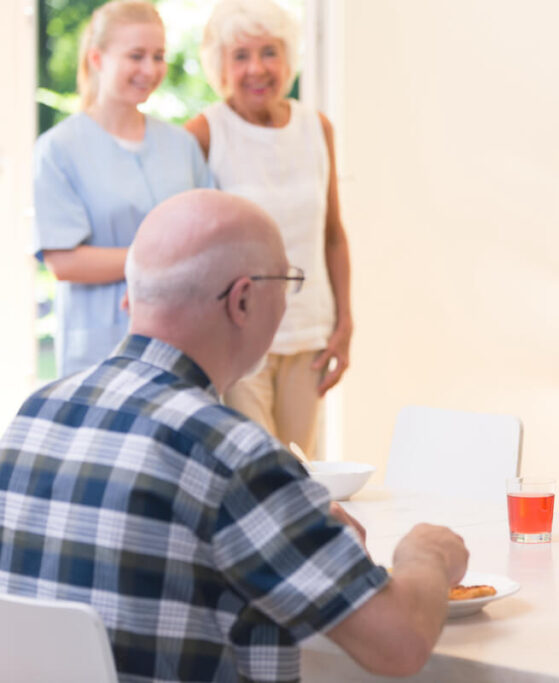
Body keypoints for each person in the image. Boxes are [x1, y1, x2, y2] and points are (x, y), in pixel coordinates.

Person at [0, 189, 469, 681]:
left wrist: (293, 529)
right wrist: (426, 556)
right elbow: (398, 644)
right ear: (243, 299)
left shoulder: (39, 413)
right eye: (287, 285)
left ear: (132, 295)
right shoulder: (231, 453)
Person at [185, 0, 352, 459]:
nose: (257, 68)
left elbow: (333, 233)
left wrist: (344, 323)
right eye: (241, 55)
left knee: (304, 471)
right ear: (221, 65)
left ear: (289, 57)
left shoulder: (317, 128)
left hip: (310, 333)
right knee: (252, 471)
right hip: (238, 338)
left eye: (269, 52)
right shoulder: (203, 133)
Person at [34, 0, 211, 377]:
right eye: (136, 56)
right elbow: (64, 261)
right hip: (99, 351)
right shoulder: (59, 148)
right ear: (97, 59)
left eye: (159, 56)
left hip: (184, 343)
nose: (151, 69)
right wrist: (158, 262)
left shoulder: (181, 145)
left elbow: (212, 236)